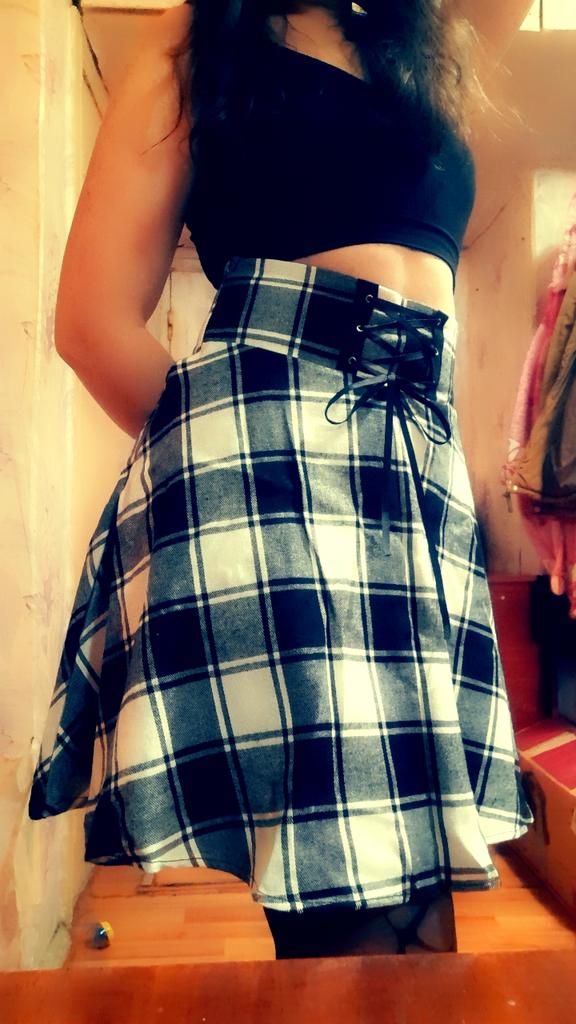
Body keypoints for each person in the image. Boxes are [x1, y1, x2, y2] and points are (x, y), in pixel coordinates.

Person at [28, 0, 536, 960]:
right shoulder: (197, 34)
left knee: (408, 863)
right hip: (273, 470)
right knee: (355, 895)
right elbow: (91, 319)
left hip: (412, 471)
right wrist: (235, 454)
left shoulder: (415, 39)